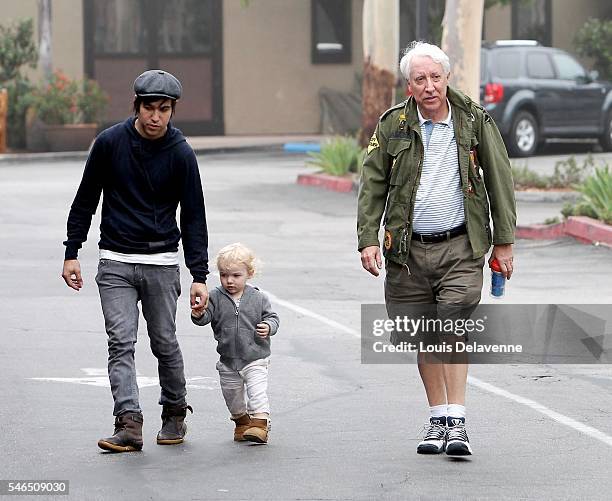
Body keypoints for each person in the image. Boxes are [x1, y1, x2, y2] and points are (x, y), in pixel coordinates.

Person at [357, 42, 516, 456]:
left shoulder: (474, 121)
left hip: (461, 247)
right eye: (419, 79)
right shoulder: (393, 125)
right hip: (407, 252)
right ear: (409, 85)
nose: (429, 86)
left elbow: (500, 180)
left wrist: (504, 243)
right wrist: (368, 238)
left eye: (435, 77)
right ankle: (438, 421)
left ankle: (458, 423)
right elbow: (372, 183)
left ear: (447, 78)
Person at [61, 69, 209, 452]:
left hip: (162, 263)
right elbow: (85, 200)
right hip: (115, 262)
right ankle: (129, 423)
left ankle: (174, 411)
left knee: (164, 342)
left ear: (172, 111)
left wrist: (199, 275)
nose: (155, 116)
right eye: (149, 108)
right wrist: (71, 252)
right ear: (136, 106)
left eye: (164, 109)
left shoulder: (180, 153)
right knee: (120, 343)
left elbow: (194, 216)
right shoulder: (110, 144)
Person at [191, 243, 279, 444]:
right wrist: (199, 314)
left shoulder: (258, 297)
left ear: (249, 273)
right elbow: (206, 317)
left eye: (236, 276)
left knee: (257, 392)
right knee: (232, 397)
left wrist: (268, 326)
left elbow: (273, 317)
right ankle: (241, 422)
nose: (229, 281)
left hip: (255, 357)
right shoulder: (215, 296)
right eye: (224, 275)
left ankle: (260, 425)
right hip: (228, 360)